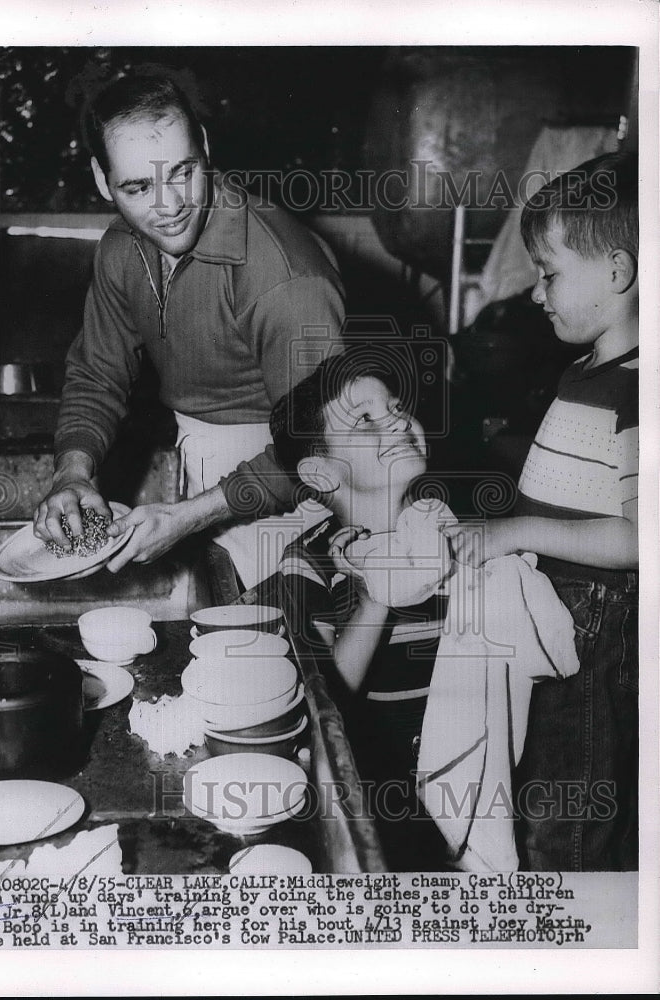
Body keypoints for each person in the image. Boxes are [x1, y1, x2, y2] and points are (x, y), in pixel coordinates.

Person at [34, 69, 344, 588]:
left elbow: (319, 450)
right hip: (202, 482)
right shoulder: (121, 250)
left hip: (300, 508)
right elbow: (97, 376)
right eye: (138, 186)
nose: (170, 206)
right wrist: (72, 471)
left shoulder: (286, 278)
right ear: (101, 180)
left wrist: (189, 516)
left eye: (182, 172)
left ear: (205, 146)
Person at [443, 152, 639, 871]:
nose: (535, 293)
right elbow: (579, 477)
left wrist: (516, 530)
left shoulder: (637, 387)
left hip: (592, 629)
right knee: (538, 800)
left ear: (617, 273)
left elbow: (641, 536)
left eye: (549, 273)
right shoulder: (588, 371)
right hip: (556, 616)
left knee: (564, 825)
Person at [270, 349, 451, 870]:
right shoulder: (311, 564)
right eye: (366, 419)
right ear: (322, 472)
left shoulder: (446, 533)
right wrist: (377, 595)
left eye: (394, 406)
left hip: (466, 776)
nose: (395, 420)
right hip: (383, 798)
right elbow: (325, 696)